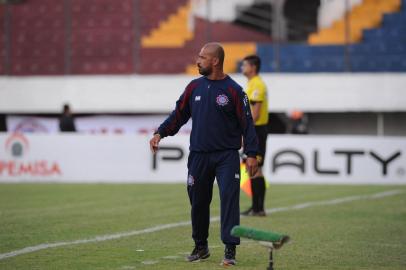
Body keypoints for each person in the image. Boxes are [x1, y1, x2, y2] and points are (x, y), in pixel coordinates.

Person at [149, 43, 258, 266]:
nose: (197, 61)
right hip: (198, 155)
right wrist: (160, 132)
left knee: (229, 199)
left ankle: (229, 249)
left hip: (227, 156)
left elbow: (247, 124)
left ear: (215, 61)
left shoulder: (234, 91)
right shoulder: (193, 87)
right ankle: (201, 246)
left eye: (202, 57)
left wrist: (252, 154)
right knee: (198, 202)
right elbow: (178, 115)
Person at [240, 55, 269, 217]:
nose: (242, 67)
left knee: (256, 168)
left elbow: (255, 115)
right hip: (253, 130)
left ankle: (259, 208)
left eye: (245, 65)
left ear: (253, 67)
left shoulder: (257, 84)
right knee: (252, 169)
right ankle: (255, 207)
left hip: (256, 130)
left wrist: (243, 128)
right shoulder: (251, 84)